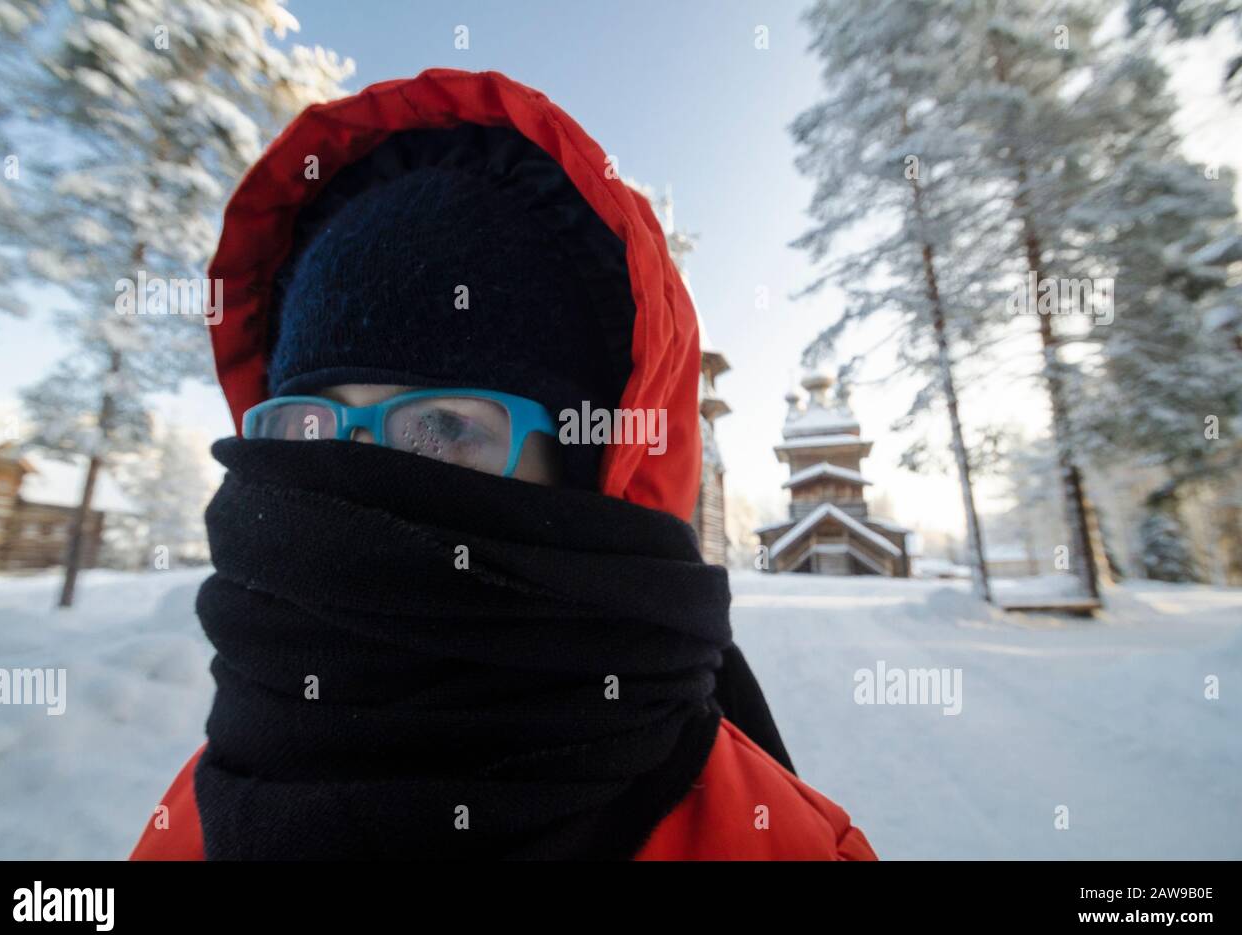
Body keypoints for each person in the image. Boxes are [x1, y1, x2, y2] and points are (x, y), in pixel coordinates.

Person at [129, 68, 876, 861]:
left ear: (584, 474)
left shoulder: (774, 843)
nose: (354, 475)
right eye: (307, 429)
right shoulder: (189, 822)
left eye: (443, 426)